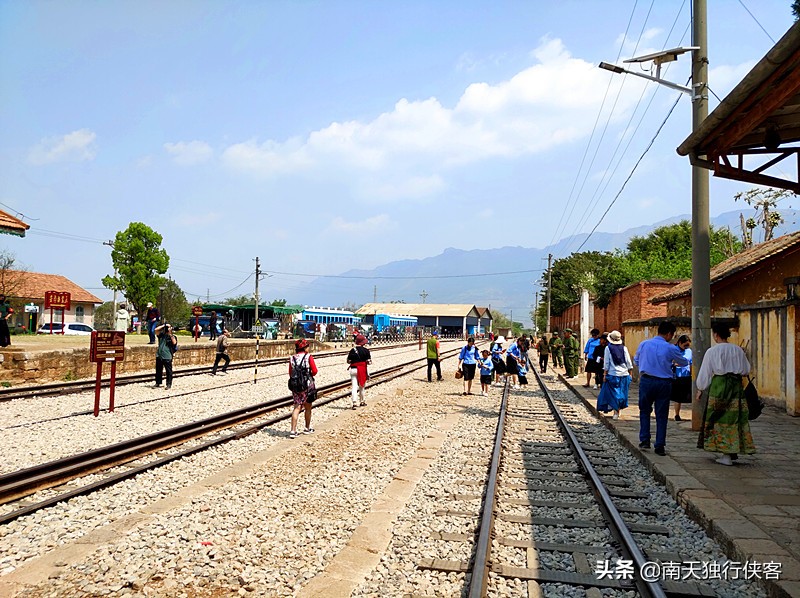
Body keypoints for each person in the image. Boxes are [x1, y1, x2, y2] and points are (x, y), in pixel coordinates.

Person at [696, 324, 754, 466]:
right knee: (733, 418)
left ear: (715, 335)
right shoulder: (737, 350)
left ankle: (726, 454)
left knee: (718, 418)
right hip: (735, 387)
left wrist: (700, 389)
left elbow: (706, 372)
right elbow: (746, 370)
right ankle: (731, 450)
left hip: (719, 386)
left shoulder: (712, 351)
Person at [633, 321, 689, 455]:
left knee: (644, 411)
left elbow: (636, 360)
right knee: (662, 414)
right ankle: (659, 445)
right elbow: (683, 362)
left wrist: (645, 365)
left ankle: (645, 439)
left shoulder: (644, 344)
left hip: (646, 380)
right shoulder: (670, 348)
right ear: (669, 333)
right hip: (664, 383)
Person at [597, 330, 632, 420]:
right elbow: (628, 361)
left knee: (614, 394)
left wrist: (605, 374)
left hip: (613, 374)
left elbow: (607, 363)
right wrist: (630, 373)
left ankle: (616, 411)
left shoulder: (608, 348)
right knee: (622, 393)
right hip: (624, 374)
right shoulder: (624, 348)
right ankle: (618, 410)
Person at [288, 338, 317, 438]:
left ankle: (293, 431)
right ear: (305, 347)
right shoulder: (308, 357)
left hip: (296, 385)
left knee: (297, 407)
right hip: (307, 384)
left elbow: (290, 372)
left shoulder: (292, 358)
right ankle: (307, 428)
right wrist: (308, 375)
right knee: (308, 407)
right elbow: (315, 371)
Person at [671, 335, 693, 421]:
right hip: (676, 375)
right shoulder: (674, 350)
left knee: (689, 396)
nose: (686, 347)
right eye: (685, 345)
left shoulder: (689, 351)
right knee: (677, 397)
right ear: (680, 343)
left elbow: (690, 363)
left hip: (686, 375)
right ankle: (677, 414)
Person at [347, 334, 371, 408]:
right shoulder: (366, 351)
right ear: (363, 343)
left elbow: (348, 361)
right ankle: (362, 401)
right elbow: (369, 362)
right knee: (362, 385)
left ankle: (354, 402)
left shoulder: (352, 350)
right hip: (362, 370)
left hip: (353, 369)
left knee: (354, 386)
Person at [153, 322, 177, 389]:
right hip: (160, 355)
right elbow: (156, 330)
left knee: (168, 371)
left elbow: (174, 343)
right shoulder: (161, 335)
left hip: (167, 356)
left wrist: (170, 334)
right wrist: (164, 325)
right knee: (158, 370)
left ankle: (168, 384)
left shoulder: (173, 336)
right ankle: (158, 382)